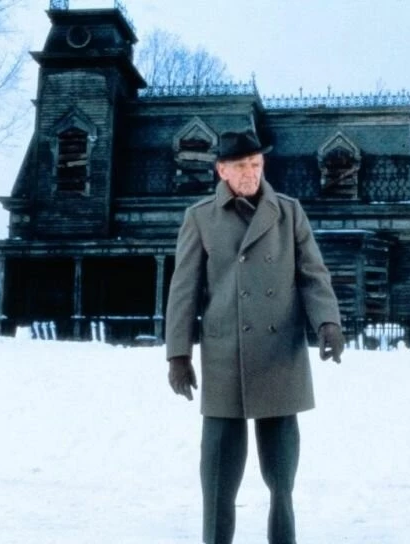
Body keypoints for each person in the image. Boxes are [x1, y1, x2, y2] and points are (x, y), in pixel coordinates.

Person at [165, 129, 344, 544]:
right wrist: (178, 355)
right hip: (225, 355)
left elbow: (313, 275)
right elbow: (183, 290)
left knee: (282, 479)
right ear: (222, 171)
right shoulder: (200, 217)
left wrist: (328, 322)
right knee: (218, 478)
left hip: (279, 354)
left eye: (257, 164)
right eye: (242, 166)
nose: (251, 173)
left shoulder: (289, 212)